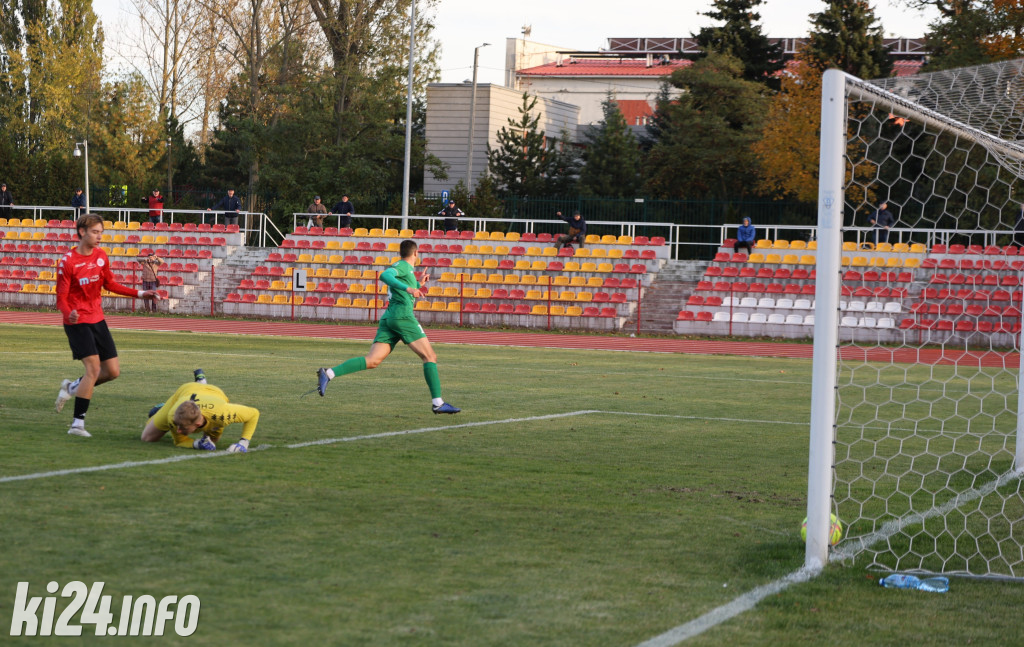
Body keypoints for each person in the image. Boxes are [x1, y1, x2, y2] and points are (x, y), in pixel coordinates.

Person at [315, 239, 460, 414]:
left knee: (373, 360)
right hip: (402, 317)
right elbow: (385, 276)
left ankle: (328, 373)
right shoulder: (403, 266)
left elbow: (400, 285)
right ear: (415, 253)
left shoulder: (406, 270)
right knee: (430, 357)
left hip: (390, 318)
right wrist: (409, 289)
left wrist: (418, 284)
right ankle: (438, 403)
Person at [54, 213, 163, 437]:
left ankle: (72, 387)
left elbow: (111, 284)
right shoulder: (68, 262)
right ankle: (77, 425)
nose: (99, 237)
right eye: (95, 232)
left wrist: (142, 293)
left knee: (112, 372)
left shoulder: (101, 256)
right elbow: (61, 298)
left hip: (97, 318)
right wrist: (69, 313)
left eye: (101, 232)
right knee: (93, 370)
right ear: (82, 232)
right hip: (77, 323)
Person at [140, 370, 259, 453]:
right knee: (147, 438)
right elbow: (179, 441)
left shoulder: (223, 414)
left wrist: (243, 443)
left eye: (182, 427)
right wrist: (197, 444)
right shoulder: (173, 415)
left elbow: (253, 413)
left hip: (214, 393)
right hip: (185, 392)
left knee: (213, 442)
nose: (178, 430)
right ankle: (162, 408)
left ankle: (201, 382)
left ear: (197, 425)